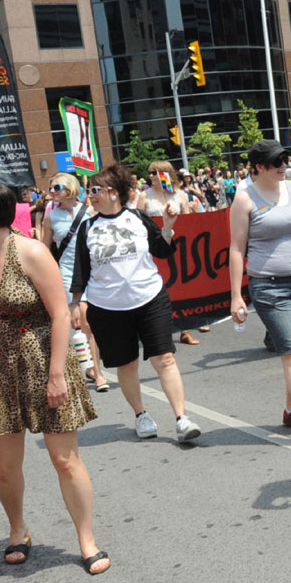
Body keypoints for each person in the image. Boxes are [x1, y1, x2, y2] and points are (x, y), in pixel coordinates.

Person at [0, 180, 108, 575]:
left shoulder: (32, 252)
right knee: (5, 467)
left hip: (44, 362)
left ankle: (87, 538)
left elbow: (61, 315)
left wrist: (57, 374)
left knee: (63, 458)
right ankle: (17, 529)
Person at [71, 164, 202, 444]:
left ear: (114, 193)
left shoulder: (137, 218)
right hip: (107, 307)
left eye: (96, 190)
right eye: (89, 190)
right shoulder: (88, 228)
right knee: (127, 364)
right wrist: (75, 304)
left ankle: (181, 418)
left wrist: (168, 227)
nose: (90, 195)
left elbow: (163, 250)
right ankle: (141, 414)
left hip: (150, 297)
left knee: (164, 358)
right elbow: (81, 270)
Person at [228, 141, 291, 450]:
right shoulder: (244, 199)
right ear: (259, 166)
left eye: (285, 159)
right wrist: (237, 296)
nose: (283, 165)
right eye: (276, 161)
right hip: (269, 286)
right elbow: (236, 249)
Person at [38, 174, 109, 393]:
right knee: (85, 322)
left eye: (57, 187)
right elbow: (44, 248)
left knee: (90, 324)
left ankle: (89, 365)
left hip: (93, 271)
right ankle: (97, 373)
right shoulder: (51, 217)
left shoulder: (89, 212)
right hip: (67, 274)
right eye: (50, 187)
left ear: (70, 188)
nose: (52, 191)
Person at [138, 161, 201, 345]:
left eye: (155, 173)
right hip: (154, 246)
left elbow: (189, 221)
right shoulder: (144, 196)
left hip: (178, 244)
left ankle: (185, 329)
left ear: (166, 174)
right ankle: (157, 328)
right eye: (149, 172)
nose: (150, 176)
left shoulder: (179, 195)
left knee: (180, 284)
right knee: (161, 286)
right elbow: (137, 221)